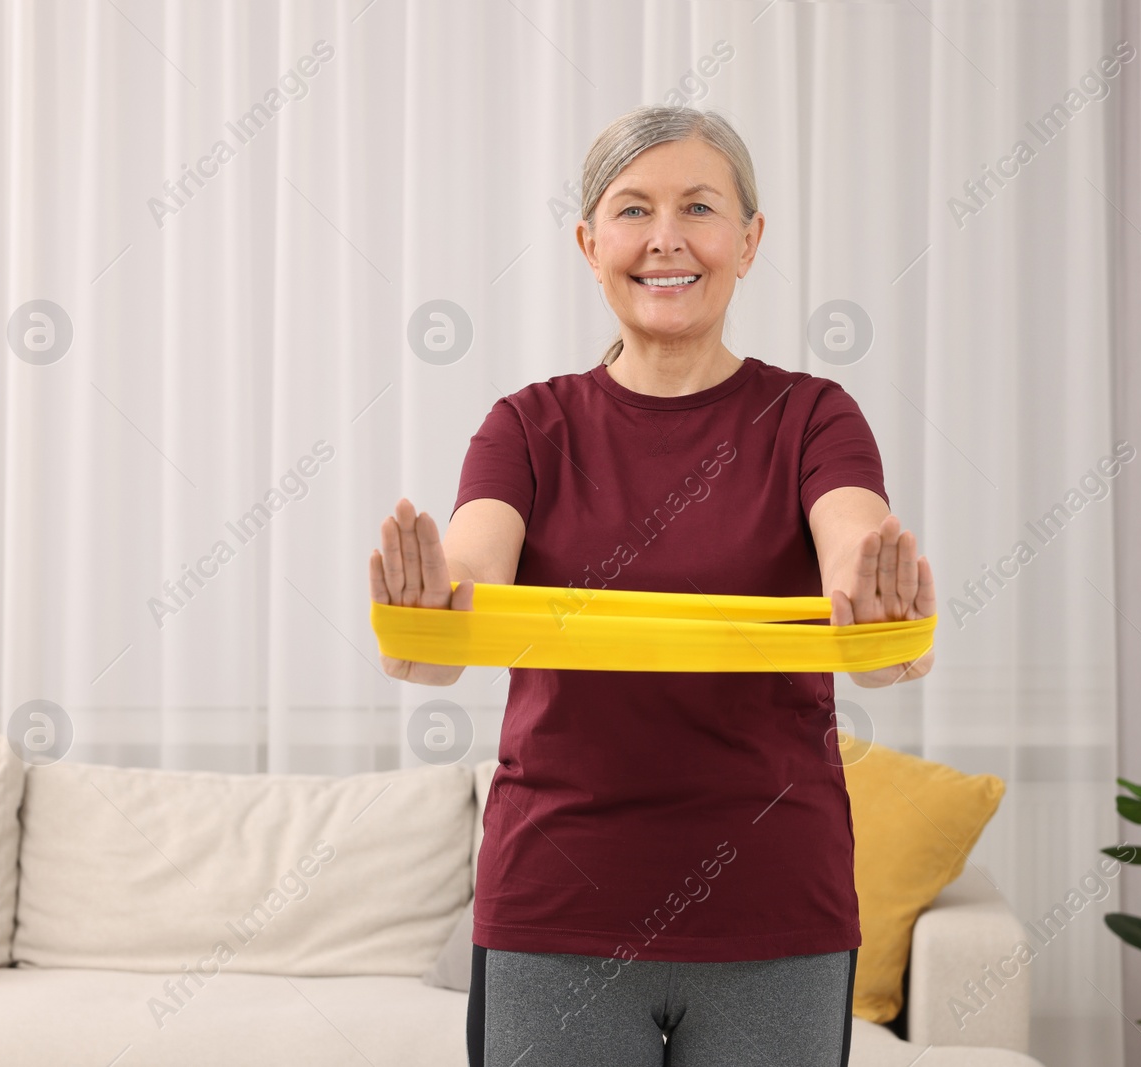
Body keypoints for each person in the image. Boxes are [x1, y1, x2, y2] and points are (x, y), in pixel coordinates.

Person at [368, 104, 936, 1067]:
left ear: (749, 241)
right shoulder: (526, 428)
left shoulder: (813, 418)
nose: (665, 238)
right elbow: (454, 607)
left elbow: (857, 565)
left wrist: (870, 607)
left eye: (699, 207)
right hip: (557, 907)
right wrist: (427, 610)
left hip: (775, 905)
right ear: (589, 244)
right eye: (632, 210)